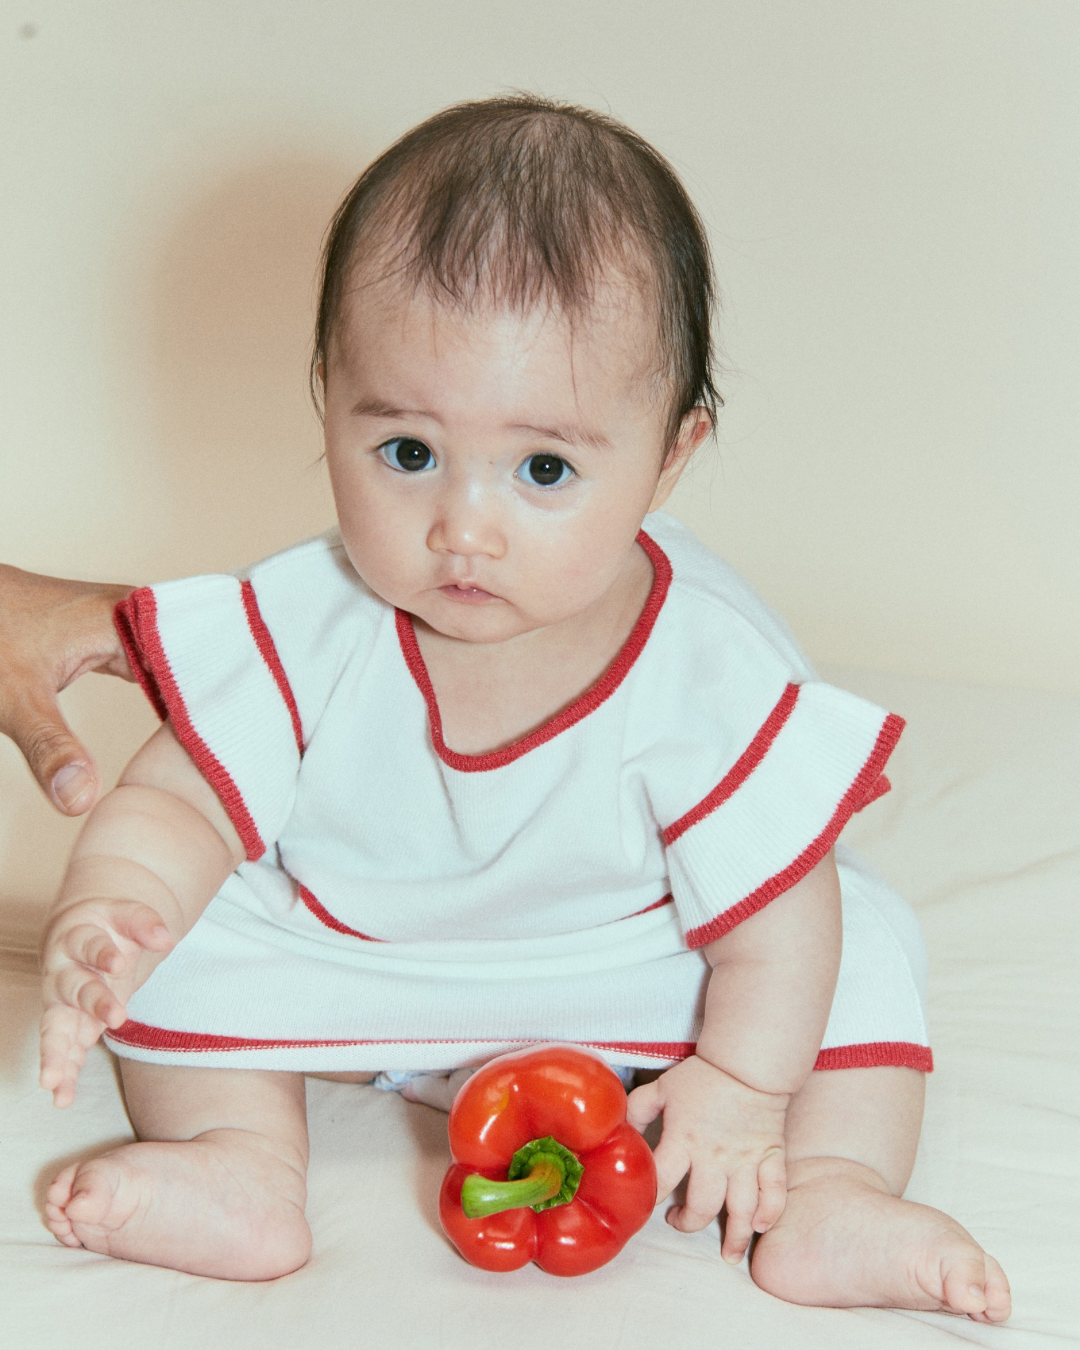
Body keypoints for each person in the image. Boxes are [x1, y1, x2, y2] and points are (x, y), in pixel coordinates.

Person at [19, 95, 1008, 1315]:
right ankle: (238, 1164)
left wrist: (745, 1089)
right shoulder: (309, 618)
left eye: (544, 469)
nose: (463, 527)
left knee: (853, 947)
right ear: (330, 402)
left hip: (641, 977)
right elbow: (177, 801)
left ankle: (839, 1191)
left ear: (670, 454)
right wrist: (115, 908)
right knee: (181, 952)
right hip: (364, 963)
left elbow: (772, 909)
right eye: (409, 452)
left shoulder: (698, 655)